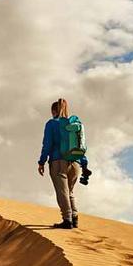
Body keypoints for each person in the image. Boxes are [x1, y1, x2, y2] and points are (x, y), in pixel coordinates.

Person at [38, 98, 83, 229]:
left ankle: (67, 220)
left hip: (58, 162)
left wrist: (41, 162)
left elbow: (47, 144)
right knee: (70, 191)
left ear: (53, 111)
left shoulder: (51, 124)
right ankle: (74, 218)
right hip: (75, 163)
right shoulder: (75, 124)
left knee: (62, 192)